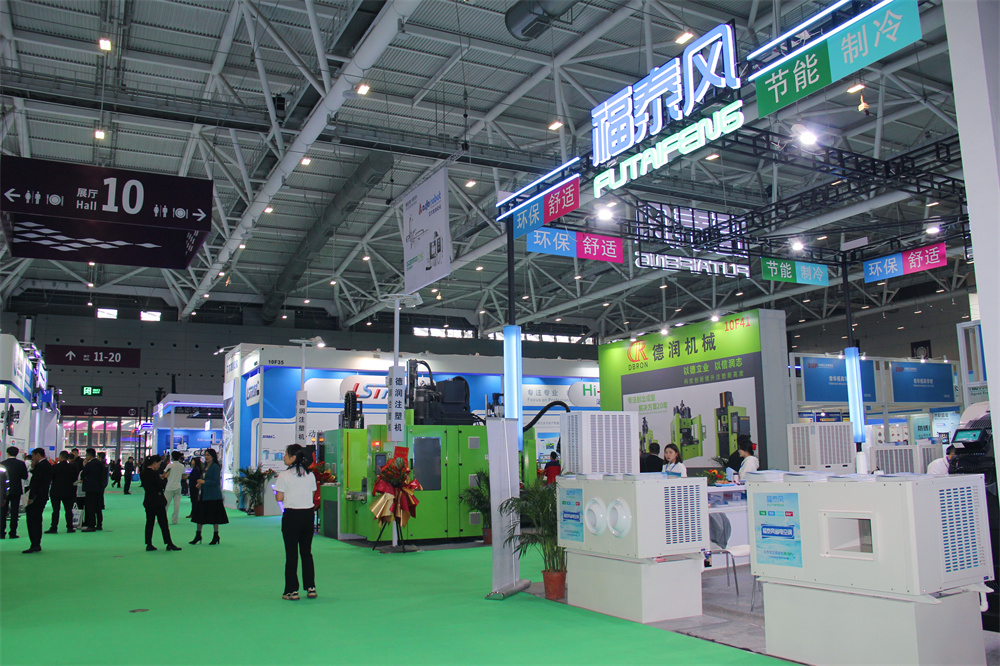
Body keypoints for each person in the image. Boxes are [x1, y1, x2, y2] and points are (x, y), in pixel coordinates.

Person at [274, 444, 318, 600]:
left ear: (293, 458)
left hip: (292, 516)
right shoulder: (310, 475)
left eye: (286, 454)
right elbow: (312, 494)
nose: (284, 457)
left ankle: (291, 590)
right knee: (306, 552)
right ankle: (311, 587)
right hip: (308, 515)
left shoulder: (284, 476)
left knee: (291, 554)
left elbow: (279, 497)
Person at [139, 456, 181, 552]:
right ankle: (169, 543)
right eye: (158, 464)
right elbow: (160, 486)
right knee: (163, 524)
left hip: (148, 501)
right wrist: (165, 479)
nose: (159, 466)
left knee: (149, 523)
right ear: (154, 463)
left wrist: (160, 478)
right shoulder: (154, 473)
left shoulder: (143, 473)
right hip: (157, 501)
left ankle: (148, 544)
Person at [189, 448, 228, 545]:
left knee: (215, 516)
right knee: (199, 516)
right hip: (204, 495)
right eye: (205, 455)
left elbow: (215, 481)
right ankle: (198, 535)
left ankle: (216, 535)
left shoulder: (215, 467)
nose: (206, 457)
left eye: (208, 455)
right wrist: (200, 484)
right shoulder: (205, 466)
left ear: (213, 456)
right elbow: (204, 478)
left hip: (213, 495)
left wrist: (204, 482)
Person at [23, 449, 52, 553]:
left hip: (36, 497)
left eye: (33, 455)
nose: (32, 458)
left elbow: (35, 483)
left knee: (32, 520)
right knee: (37, 520)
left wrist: (31, 497)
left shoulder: (40, 466)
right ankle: (36, 543)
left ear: (37, 455)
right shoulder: (47, 465)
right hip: (42, 496)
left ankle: (34, 544)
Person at [47, 451, 78, 533]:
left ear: (60, 457)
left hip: (56, 491)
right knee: (68, 510)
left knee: (55, 510)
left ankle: (54, 527)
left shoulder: (55, 467)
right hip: (68, 491)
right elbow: (75, 478)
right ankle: (70, 527)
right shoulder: (72, 467)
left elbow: (50, 478)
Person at [1, 446, 28, 539]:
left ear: (7, 453)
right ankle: (13, 533)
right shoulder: (21, 464)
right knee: (14, 511)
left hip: (4, 490)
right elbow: (25, 476)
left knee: (3, 512)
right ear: (17, 453)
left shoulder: (2, 464)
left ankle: (1, 532)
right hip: (16, 490)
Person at [79, 448, 105, 531]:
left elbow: (83, 474)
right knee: (98, 507)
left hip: (90, 488)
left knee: (90, 507)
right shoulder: (99, 463)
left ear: (89, 456)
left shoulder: (89, 464)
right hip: (99, 488)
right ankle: (99, 524)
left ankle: (91, 525)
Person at [163, 451, 185, 525]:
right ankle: (175, 520)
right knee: (177, 505)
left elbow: (164, 475)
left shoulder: (169, 465)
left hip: (169, 487)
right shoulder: (182, 466)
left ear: (172, 457)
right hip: (178, 486)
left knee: (165, 504)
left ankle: (162, 518)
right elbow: (183, 476)